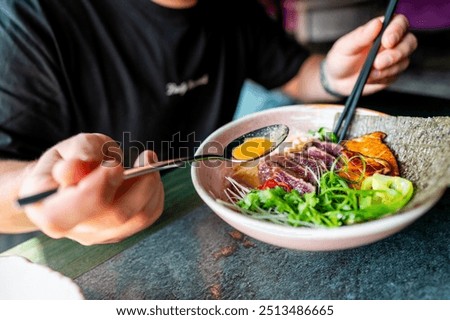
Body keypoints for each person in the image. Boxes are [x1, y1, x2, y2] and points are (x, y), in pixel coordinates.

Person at [0, 0, 417, 245]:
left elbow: (292, 73)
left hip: (205, 226)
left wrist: (330, 74)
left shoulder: (230, 6)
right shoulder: (29, 15)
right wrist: (38, 192)